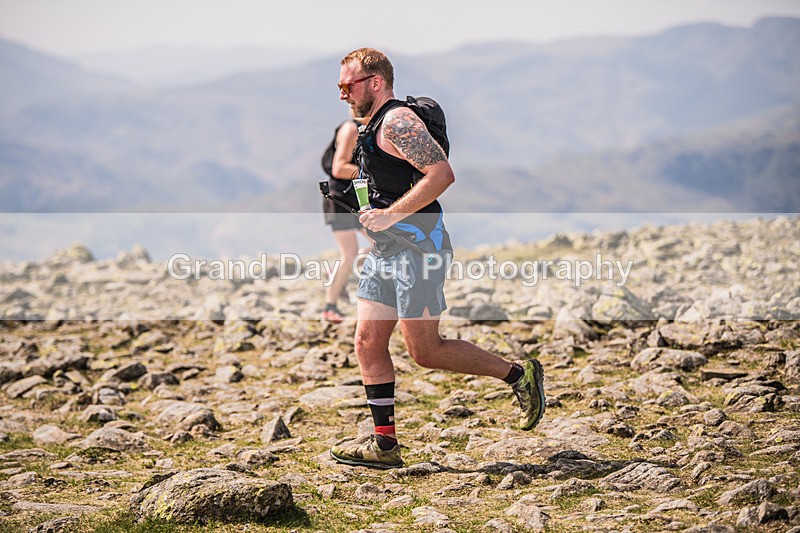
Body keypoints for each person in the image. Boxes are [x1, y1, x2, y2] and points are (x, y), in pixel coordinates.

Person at [329, 48, 546, 469]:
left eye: (347, 85)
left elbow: (442, 174)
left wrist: (390, 214)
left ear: (375, 82)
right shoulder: (368, 124)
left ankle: (519, 375)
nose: (341, 94)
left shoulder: (398, 121)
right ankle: (384, 445)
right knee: (367, 341)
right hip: (387, 250)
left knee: (425, 351)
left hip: (419, 251)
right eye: (339, 85)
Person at [321, 113, 372, 323]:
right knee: (349, 254)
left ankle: (334, 272)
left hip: (356, 195)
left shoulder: (369, 129)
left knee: (384, 243)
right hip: (340, 198)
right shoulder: (350, 129)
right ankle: (329, 307)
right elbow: (339, 168)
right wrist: (372, 174)